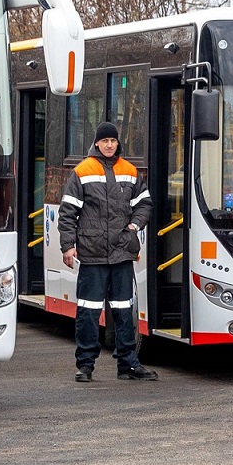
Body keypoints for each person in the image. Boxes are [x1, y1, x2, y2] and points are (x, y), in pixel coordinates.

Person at [58, 121, 157, 382]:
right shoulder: (82, 171)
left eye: (113, 141)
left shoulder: (130, 171)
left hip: (122, 253)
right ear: (97, 143)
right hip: (91, 255)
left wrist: (134, 226)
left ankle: (127, 364)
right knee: (88, 313)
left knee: (124, 311)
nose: (109, 145)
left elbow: (145, 204)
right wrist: (68, 246)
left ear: (117, 143)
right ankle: (85, 365)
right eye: (105, 141)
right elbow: (67, 213)